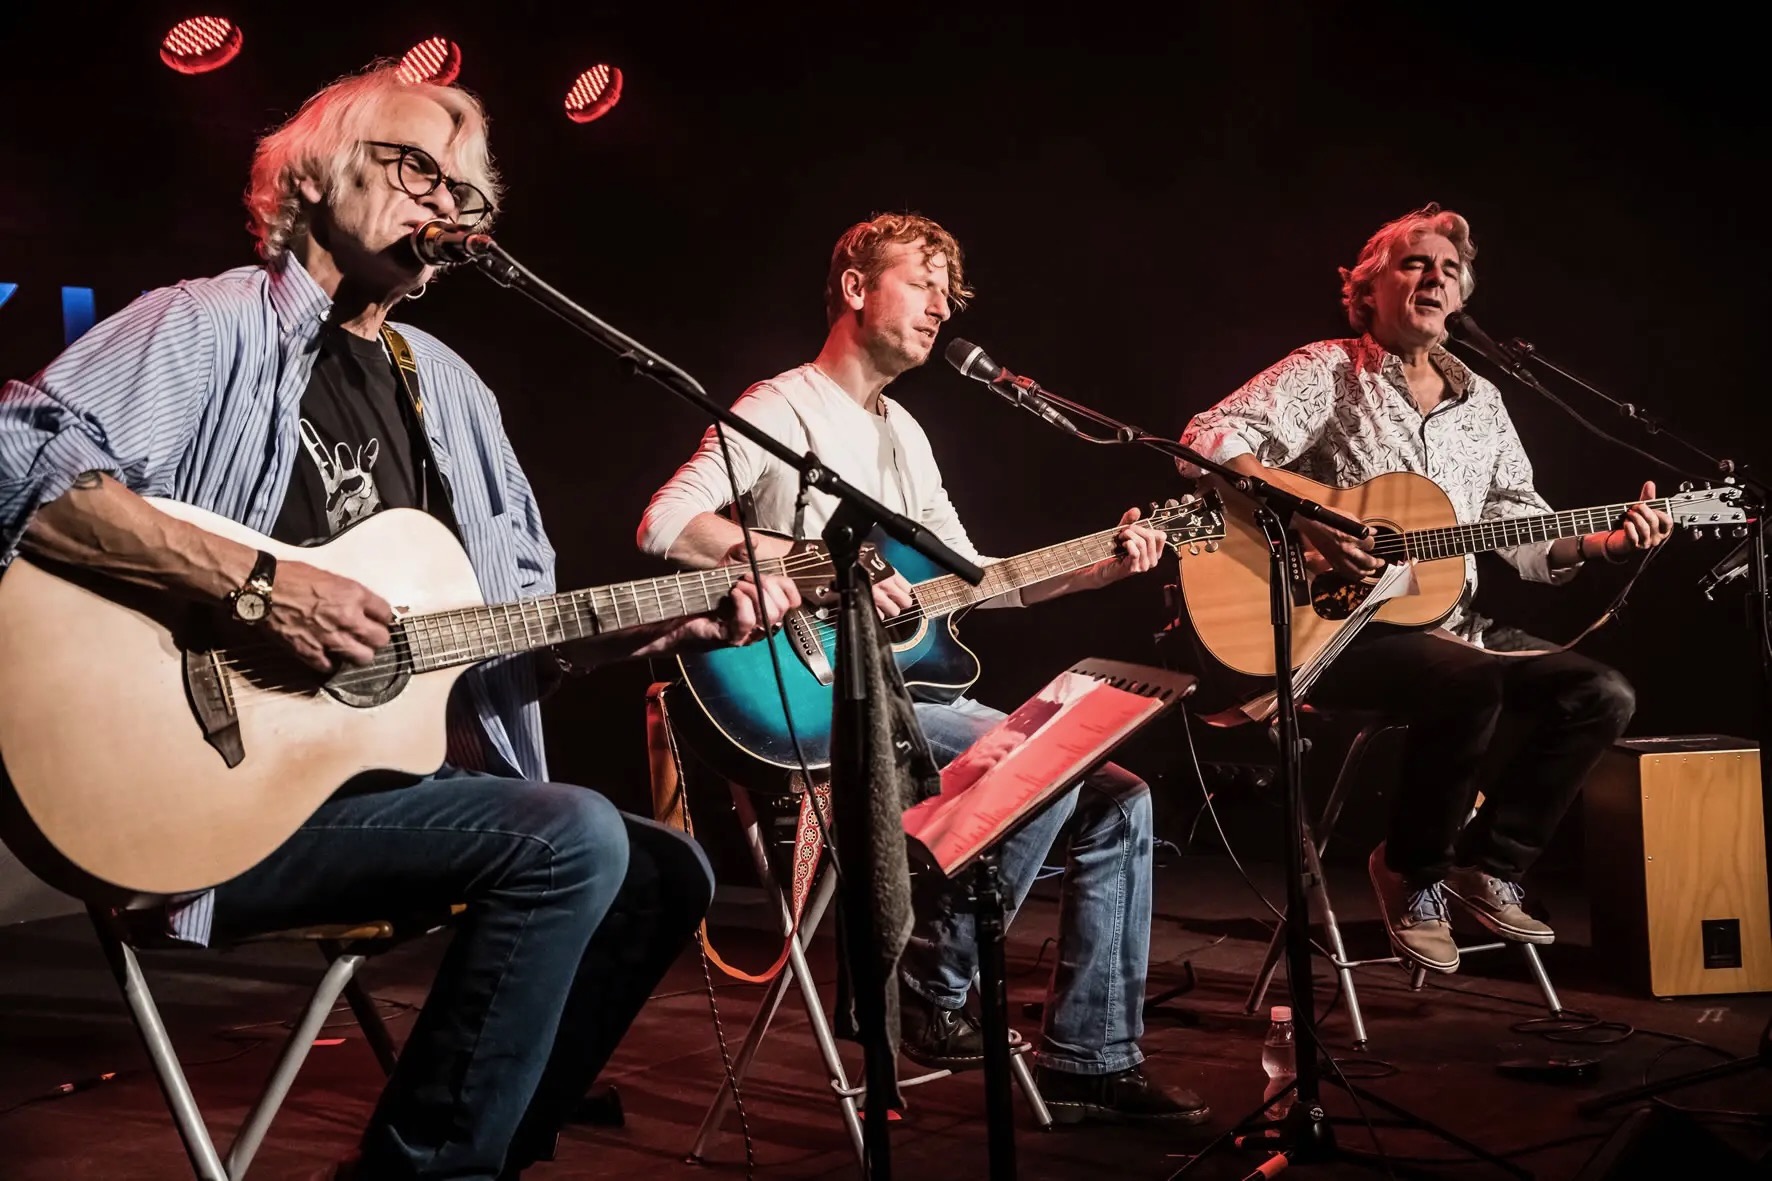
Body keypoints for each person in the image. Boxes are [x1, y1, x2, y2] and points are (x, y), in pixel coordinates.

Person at [0, 65, 801, 1180]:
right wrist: (253, 583)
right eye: (415, 165)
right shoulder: (208, 323)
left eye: (466, 192)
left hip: (380, 798)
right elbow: (20, 461)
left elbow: (513, 630)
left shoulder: (454, 392)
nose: (447, 201)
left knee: (664, 872)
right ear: (313, 171)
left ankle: (477, 1154)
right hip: (207, 798)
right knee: (572, 836)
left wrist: (665, 624)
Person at [639, 212, 1209, 1125]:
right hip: (808, 693)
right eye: (924, 281)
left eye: (953, 290)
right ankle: (933, 986)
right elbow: (668, 523)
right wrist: (820, 564)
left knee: (1121, 793)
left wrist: (1104, 562)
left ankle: (1091, 1053)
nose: (943, 306)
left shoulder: (904, 430)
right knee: (1046, 761)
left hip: (908, 700)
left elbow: (978, 582)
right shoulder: (782, 405)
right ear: (857, 288)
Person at [1177, 203, 1671, 974]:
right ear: (1367, 290)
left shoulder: (1486, 404)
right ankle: (1414, 871)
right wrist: (1310, 522)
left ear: (1463, 294)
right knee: (1469, 682)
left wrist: (1609, 540)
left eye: (1448, 268)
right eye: (1413, 263)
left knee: (1601, 692)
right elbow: (1208, 438)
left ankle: (1489, 861)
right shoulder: (1328, 370)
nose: (1433, 277)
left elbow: (1526, 529)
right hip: (1343, 631)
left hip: (1458, 624)